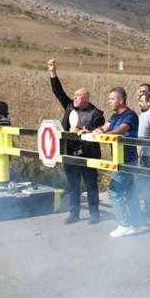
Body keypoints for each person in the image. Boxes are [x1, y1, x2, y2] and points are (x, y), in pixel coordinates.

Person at [48, 59, 105, 225]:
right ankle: (74, 214)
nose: (75, 97)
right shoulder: (69, 107)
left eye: (79, 95)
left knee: (91, 186)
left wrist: (85, 128)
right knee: (73, 186)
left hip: (88, 156)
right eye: (74, 95)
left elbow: (98, 128)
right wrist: (53, 73)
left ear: (87, 99)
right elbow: (58, 92)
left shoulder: (96, 113)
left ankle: (95, 214)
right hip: (70, 153)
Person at [92, 87, 141, 237]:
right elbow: (104, 127)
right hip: (119, 158)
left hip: (125, 159)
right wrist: (96, 131)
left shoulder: (130, 115)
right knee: (131, 191)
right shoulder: (113, 116)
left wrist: (102, 134)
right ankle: (138, 223)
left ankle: (124, 224)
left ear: (121, 100)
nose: (109, 102)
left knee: (114, 191)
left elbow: (120, 130)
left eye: (112, 99)